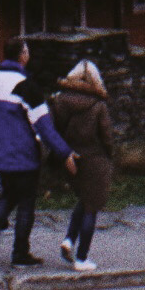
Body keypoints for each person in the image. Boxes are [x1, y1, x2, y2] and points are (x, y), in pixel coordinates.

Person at [0, 40, 76, 269]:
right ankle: (20, 254)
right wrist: (64, 152)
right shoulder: (28, 87)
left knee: (9, 195)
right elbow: (44, 127)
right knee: (26, 203)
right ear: (22, 56)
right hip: (24, 155)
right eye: (27, 50)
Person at [50, 59, 114, 272]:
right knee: (91, 207)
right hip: (95, 158)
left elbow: (55, 130)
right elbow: (106, 136)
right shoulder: (98, 105)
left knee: (85, 199)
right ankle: (81, 258)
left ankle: (69, 240)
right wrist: (110, 154)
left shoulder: (60, 101)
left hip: (71, 158)